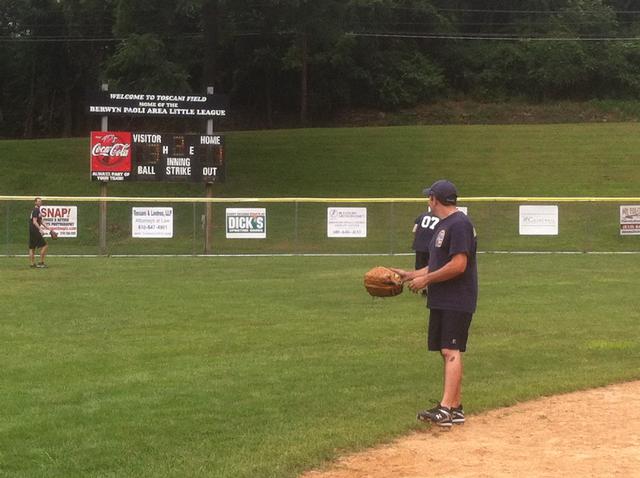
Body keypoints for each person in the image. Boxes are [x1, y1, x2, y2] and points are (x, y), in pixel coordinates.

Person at [393, 180, 478, 427]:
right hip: (443, 298)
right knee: (446, 351)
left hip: (457, 298)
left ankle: (444, 410)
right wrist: (411, 275)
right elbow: (440, 263)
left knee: (451, 351)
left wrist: (427, 280)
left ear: (434, 199)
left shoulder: (460, 224)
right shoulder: (445, 225)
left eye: (428, 198)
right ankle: (455, 407)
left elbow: (458, 265)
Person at [29, 197, 52, 268]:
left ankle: (32, 264)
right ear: (35, 202)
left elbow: (41, 221)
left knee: (32, 247)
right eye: (38, 201)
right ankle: (41, 263)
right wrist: (40, 230)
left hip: (32, 230)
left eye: (40, 201)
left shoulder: (37, 210)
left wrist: (49, 228)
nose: (40, 202)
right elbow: (34, 221)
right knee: (45, 245)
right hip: (35, 230)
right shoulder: (36, 210)